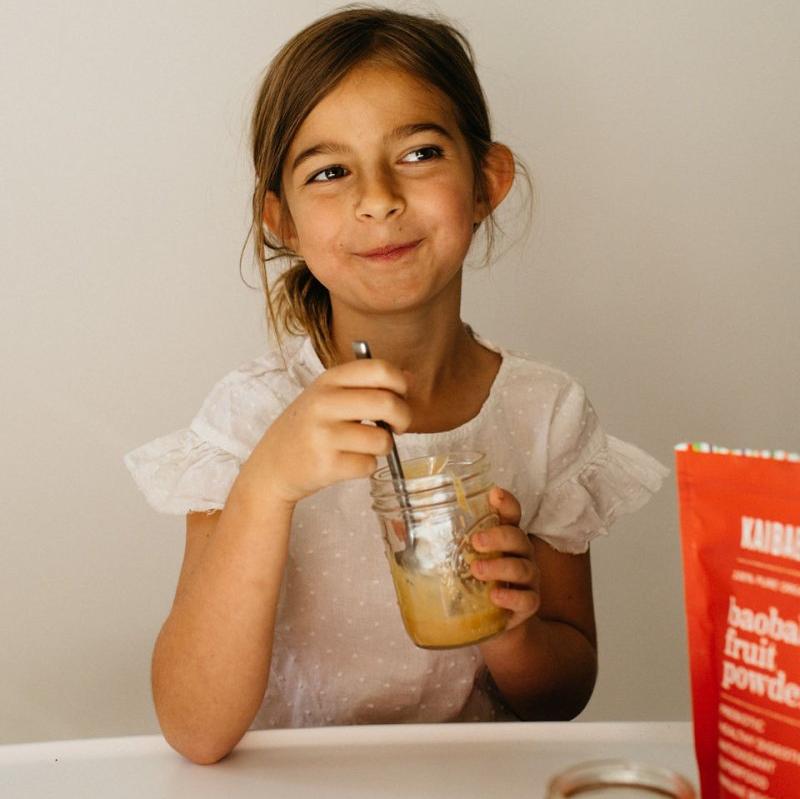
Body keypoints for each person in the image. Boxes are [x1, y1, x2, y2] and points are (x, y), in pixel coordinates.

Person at [124, 5, 669, 765]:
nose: (377, 197)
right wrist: (267, 484)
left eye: (416, 153)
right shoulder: (255, 417)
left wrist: (513, 627)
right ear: (279, 218)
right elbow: (194, 727)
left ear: (487, 181)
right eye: (329, 171)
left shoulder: (544, 414)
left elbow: (563, 692)